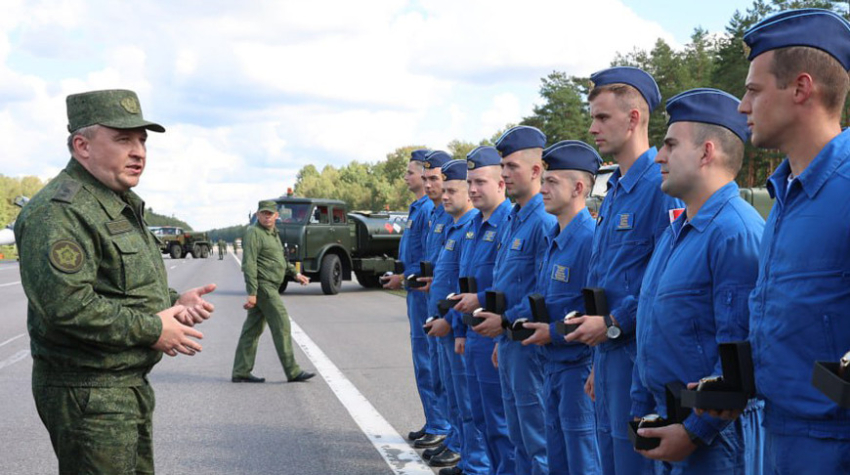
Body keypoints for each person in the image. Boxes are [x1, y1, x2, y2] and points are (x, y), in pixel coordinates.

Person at [15, 89, 217, 474]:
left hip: (120, 388)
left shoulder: (113, 202)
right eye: (123, 139)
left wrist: (174, 302)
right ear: (82, 145)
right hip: (90, 394)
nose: (139, 151)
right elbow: (68, 306)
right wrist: (154, 327)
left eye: (142, 140)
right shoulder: (59, 213)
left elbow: (119, 286)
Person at [738, 9, 850, 474]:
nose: (742, 106)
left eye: (753, 90)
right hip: (779, 433)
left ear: (801, 88)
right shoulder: (786, 194)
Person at [630, 88, 764, 474]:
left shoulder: (734, 233)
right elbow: (652, 328)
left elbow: (738, 358)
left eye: (670, 145)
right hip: (671, 429)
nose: (659, 156)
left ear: (706, 152)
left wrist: (694, 431)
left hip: (713, 442)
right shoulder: (677, 232)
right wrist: (643, 411)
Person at [565, 67, 683, 475]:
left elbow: (665, 277)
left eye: (602, 117)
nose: (592, 127)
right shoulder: (615, 187)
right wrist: (599, 358)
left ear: (634, 119)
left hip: (639, 359)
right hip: (610, 357)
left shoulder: (660, 184)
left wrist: (613, 324)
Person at [474, 125, 556, 475]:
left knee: (538, 443)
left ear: (536, 171)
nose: (504, 174)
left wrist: (507, 323)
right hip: (509, 343)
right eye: (502, 168)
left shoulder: (544, 220)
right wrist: (502, 336)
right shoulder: (515, 218)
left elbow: (544, 290)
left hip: (530, 346)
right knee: (517, 438)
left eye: (511, 167)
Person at [520, 140, 603, 475]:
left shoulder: (589, 239)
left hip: (578, 371)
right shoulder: (556, 236)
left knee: (582, 460)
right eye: (544, 181)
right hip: (553, 366)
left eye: (552, 182)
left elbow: (596, 312)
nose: (542, 189)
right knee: (558, 459)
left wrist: (551, 332)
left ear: (579, 188)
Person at [452, 146, 516, 475]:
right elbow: (468, 284)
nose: (473, 189)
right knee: (481, 418)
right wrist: (461, 331)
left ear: (501, 184)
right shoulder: (473, 226)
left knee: (503, 424)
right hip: (475, 337)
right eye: (470, 182)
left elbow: (512, 286)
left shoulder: (508, 223)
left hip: (497, 337)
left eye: (480, 182)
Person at [381, 149, 450, 445]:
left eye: (415, 173)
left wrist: (406, 278)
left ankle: (441, 425)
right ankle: (434, 421)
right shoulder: (423, 209)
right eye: (416, 174)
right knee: (426, 360)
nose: (411, 177)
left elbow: (427, 258)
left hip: (426, 293)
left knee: (431, 362)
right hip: (417, 292)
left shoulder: (430, 210)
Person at [423, 159, 486, 474]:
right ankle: (462, 447)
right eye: (443, 190)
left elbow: (471, 285)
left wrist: (453, 323)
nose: (444, 196)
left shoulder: (470, 228)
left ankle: (470, 455)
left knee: (469, 399)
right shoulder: (456, 226)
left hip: (458, 325)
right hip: (446, 322)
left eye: (451, 190)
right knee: (452, 391)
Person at [231, 200, 315, 383]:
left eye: (270, 214)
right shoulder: (254, 233)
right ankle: (292, 371)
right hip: (264, 287)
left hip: (271, 285)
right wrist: (252, 292)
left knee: (252, 330)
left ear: (277, 215)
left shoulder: (273, 234)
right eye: (264, 213)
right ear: (257, 215)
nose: (267, 217)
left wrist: (295, 274)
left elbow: (280, 259)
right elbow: (249, 264)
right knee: (282, 323)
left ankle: (241, 370)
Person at [416, 150, 459, 462]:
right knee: (446, 380)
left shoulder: (455, 218)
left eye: (436, 178)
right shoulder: (436, 214)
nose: (431, 185)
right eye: (426, 178)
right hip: (433, 304)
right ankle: (454, 438)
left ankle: (459, 443)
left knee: (466, 393)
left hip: (453, 315)